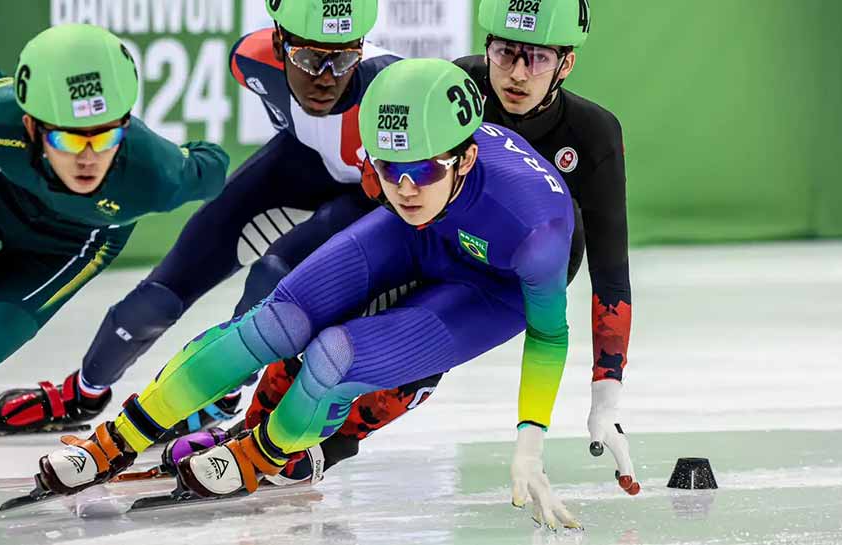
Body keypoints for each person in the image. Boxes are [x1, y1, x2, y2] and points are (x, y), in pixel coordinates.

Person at [33, 57, 584, 529]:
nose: (406, 186)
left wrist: (530, 443)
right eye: (390, 167)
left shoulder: (537, 230)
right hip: (424, 235)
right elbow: (410, 191)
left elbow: (550, 337)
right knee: (273, 324)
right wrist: (411, 182)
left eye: (422, 169)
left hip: (493, 287)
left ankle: (258, 455)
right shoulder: (416, 187)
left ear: (463, 159)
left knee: (333, 356)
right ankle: (115, 438)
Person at [191, 0, 638, 496]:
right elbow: (376, 179)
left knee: (409, 357)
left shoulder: (593, 134)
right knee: (321, 312)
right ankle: (249, 429)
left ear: (566, 64)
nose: (515, 72)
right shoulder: (452, 86)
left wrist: (606, 397)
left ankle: (330, 446)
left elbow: (611, 276)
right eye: (505, 52)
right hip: (429, 233)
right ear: (486, 46)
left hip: (505, 271)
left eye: (537, 58)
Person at [0, 0, 400, 435]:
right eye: (308, 58)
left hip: (365, 195)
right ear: (279, 43)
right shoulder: (251, 61)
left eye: (343, 59)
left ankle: (220, 399)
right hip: (302, 163)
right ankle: (83, 392)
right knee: (158, 296)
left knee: (270, 279)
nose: (325, 79)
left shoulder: (390, 89)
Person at [0, 24, 228, 418]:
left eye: (105, 136)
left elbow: (214, 163)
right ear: (30, 125)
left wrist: (172, 152)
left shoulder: (156, 177)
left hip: (70, 246)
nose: (88, 158)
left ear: (125, 126)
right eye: (69, 139)